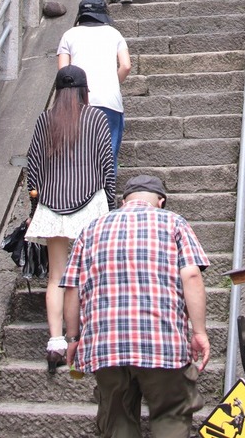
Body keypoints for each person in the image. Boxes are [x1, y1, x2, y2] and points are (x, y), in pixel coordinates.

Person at [62, 174, 210, 438]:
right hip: (163, 342)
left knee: (116, 418)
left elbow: (72, 287)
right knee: (171, 413)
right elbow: (191, 275)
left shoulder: (91, 228)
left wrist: (73, 338)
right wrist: (198, 332)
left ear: (123, 200)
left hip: (104, 345)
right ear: (161, 201)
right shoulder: (174, 223)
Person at [25, 65, 115, 373]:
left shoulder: (44, 120)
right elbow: (107, 166)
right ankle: (85, 335)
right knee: (89, 274)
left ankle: (56, 341)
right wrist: (111, 204)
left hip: (51, 204)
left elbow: (33, 168)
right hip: (90, 201)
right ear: (84, 90)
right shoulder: (97, 118)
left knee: (56, 277)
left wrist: (33, 205)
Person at [57, 0, 131, 172]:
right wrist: (113, 82)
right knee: (108, 153)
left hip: (77, 102)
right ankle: (106, 196)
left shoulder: (69, 35)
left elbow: (63, 73)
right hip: (109, 101)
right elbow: (126, 66)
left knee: (78, 152)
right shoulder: (114, 33)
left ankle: (80, 193)